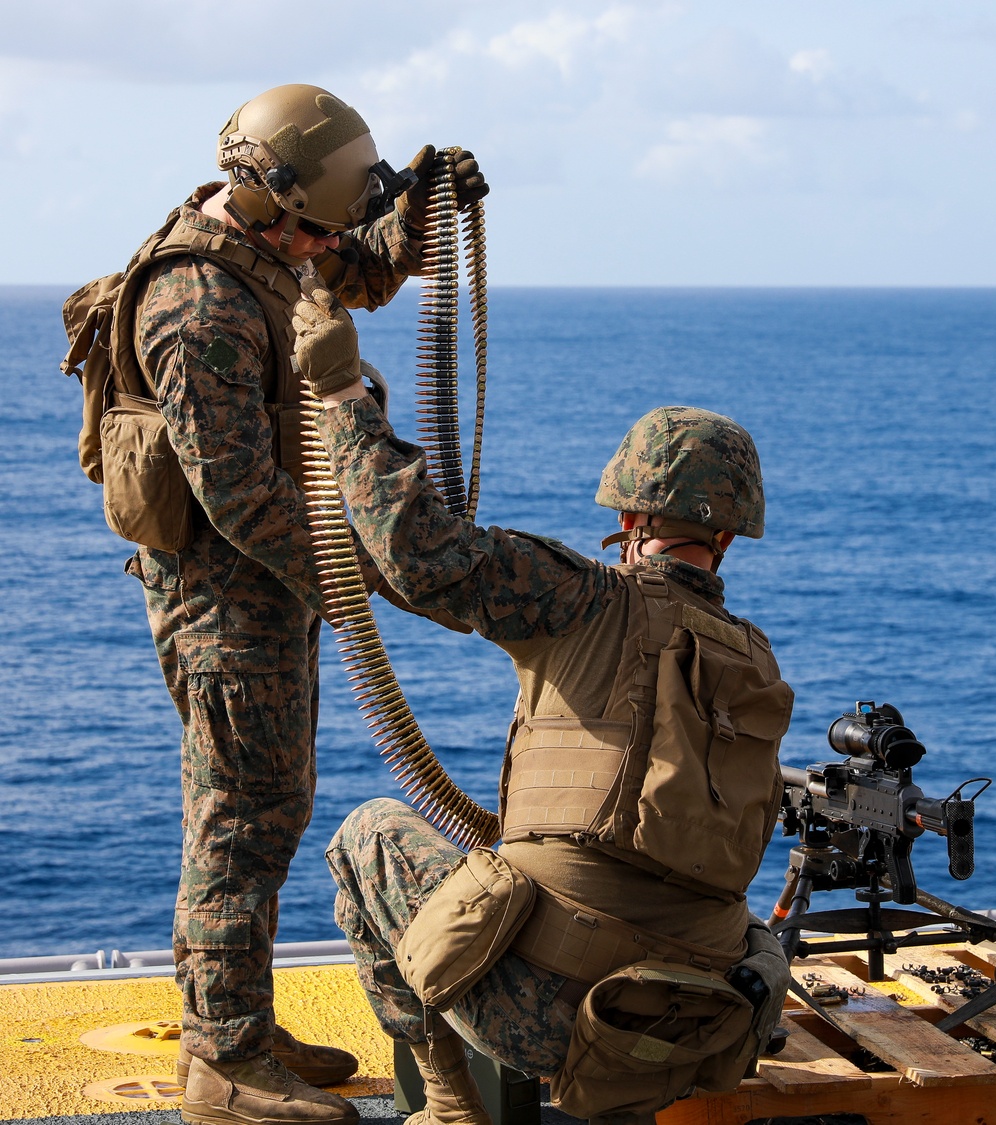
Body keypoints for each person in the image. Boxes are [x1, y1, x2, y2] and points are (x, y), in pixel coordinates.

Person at [67, 84, 486, 1125]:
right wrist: (373, 573)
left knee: (265, 805)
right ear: (264, 195)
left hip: (269, 588)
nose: (320, 247)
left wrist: (419, 211)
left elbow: (358, 266)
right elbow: (238, 494)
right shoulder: (197, 301)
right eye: (311, 225)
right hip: (225, 597)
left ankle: (236, 1022)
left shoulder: (268, 244)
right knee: (241, 817)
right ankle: (222, 1063)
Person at [293, 296, 793, 1125]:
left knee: (365, 835)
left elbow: (417, 550)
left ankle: (452, 1105)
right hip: (694, 1024)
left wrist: (344, 394)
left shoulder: (581, 595)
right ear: (729, 540)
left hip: (541, 1011)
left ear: (629, 518)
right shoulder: (757, 659)